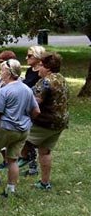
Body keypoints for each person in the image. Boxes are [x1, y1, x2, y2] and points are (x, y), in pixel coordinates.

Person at [0, 59, 39, 197]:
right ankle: (10, 190)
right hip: (23, 130)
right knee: (13, 159)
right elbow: (36, 111)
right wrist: (27, 119)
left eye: (2, 70)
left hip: (5, 128)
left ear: (8, 73)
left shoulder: (5, 91)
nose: (0, 73)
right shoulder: (27, 89)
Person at [28, 53, 69, 190]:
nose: (38, 69)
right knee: (45, 151)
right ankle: (45, 183)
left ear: (48, 68)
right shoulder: (61, 78)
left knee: (17, 138)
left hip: (45, 122)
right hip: (60, 122)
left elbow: (35, 102)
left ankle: (21, 163)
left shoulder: (46, 81)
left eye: (40, 66)